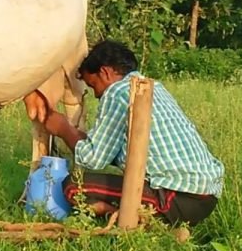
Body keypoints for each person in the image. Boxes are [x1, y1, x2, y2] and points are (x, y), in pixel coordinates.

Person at [23, 40, 224, 227]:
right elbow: (101, 148)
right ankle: (156, 223)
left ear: (105, 72)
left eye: (93, 85)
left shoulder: (117, 92)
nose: (97, 95)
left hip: (176, 198)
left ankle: (123, 218)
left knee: (73, 187)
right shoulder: (151, 87)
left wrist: (63, 128)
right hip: (206, 197)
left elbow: (91, 158)